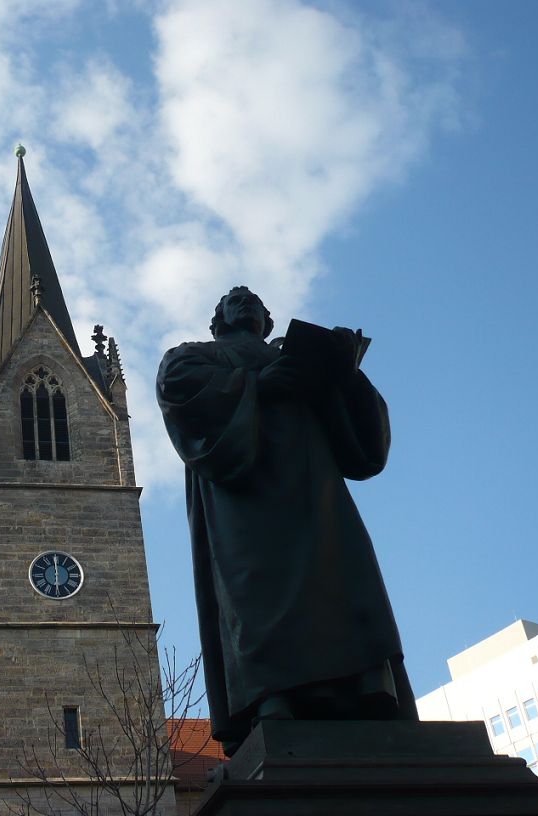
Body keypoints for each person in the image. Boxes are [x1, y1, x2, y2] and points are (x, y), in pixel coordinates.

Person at [156, 286, 417, 756]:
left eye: (254, 300)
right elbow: (180, 393)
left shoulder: (298, 357)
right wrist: (259, 385)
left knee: (341, 583)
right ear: (217, 321)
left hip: (317, 495)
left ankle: (363, 693)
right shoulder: (194, 355)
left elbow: (364, 448)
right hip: (244, 495)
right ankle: (271, 699)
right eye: (234, 300)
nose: (245, 302)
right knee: (254, 592)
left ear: (268, 320)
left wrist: (344, 370)